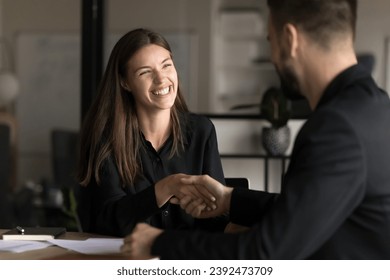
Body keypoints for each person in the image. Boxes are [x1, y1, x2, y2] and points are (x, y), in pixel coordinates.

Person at [121, 0, 390, 259]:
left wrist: (158, 243)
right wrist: (229, 199)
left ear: (290, 39)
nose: (273, 56)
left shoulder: (336, 129)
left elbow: (266, 251)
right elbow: (302, 212)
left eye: (270, 40)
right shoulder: (375, 107)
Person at [76, 28, 226, 237]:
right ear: (125, 82)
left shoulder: (202, 132)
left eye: (166, 66)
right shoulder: (105, 138)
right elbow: (104, 221)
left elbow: (218, 218)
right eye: (145, 72)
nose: (161, 79)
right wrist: (165, 188)